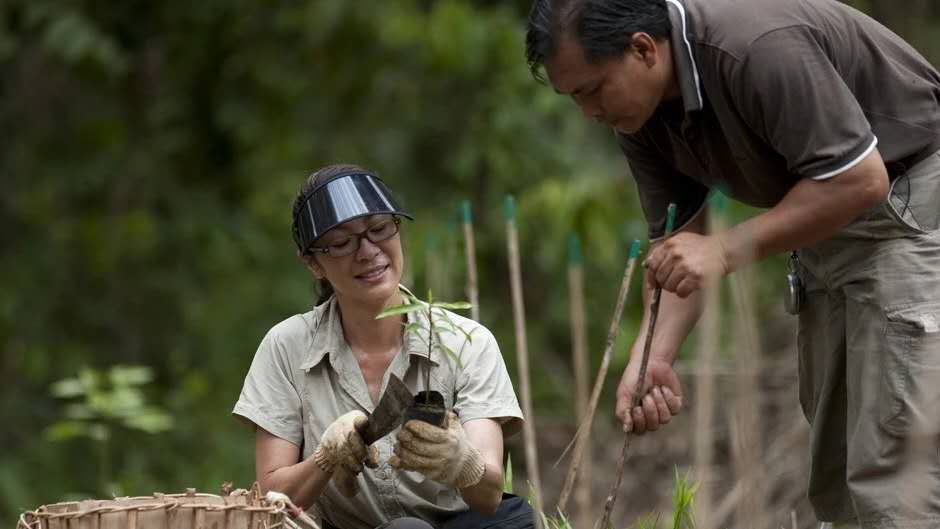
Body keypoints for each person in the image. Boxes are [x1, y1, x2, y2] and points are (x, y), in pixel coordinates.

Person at [525, 0, 940, 527]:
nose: (588, 112)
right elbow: (682, 247)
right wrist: (652, 357)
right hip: (830, 228)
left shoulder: (755, 50)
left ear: (643, 49)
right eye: (573, 98)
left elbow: (861, 179)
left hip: (913, 207)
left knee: (896, 471)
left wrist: (726, 249)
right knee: (839, 474)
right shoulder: (638, 116)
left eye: (591, 89)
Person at [233, 164, 533, 529]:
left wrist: (463, 463)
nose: (368, 251)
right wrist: (325, 459)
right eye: (342, 242)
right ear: (313, 263)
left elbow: (488, 497)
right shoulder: (286, 348)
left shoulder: (466, 341)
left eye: (379, 229)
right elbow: (270, 503)